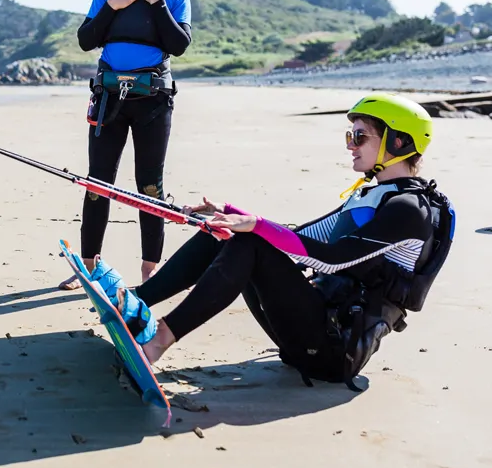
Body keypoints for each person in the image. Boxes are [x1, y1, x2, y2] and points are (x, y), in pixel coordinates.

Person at [101, 93, 455, 389]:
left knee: (250, 240)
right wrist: (231, 213)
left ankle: (160, 339)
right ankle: (132, 302)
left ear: (398, 142)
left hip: (336, 352)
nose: (351, 146)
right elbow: (301, 240)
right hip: (313, 324)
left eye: (360, 137)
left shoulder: (409, 209)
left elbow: (331, 260)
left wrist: (253, 225)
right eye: (350, 137)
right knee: (230, 234)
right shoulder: (372, 195)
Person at [59, 0, 193, 291]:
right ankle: (88, 265)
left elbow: (178, 46)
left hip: (152, 101)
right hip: (108, 101)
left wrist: (156, 4)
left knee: (149, 185)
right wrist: (112, 7)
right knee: (98, 181)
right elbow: (87, 39)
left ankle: (150, 270)